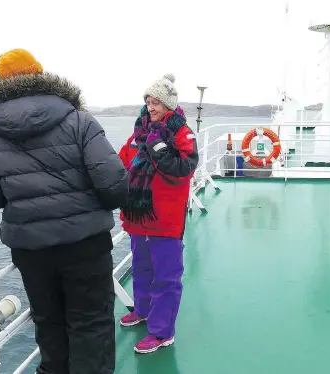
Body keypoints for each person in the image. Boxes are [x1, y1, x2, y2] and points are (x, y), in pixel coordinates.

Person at [0, 48, 128, 374]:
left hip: (31, 247)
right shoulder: (77, 118)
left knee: (49, 322)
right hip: (85, 243)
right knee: (91, 323)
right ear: (39, 74)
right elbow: (114, 182)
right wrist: (94, 208)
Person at [119, 74, 199, 354]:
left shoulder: (181, 133)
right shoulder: (138, 131)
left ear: (169, 105)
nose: (151, 108)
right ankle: (141, 310)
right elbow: (122, 161)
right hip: (138, 215)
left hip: (165, 219)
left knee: (166, 276)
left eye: (157, 103)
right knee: (141, 267)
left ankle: (162, 332)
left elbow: (183, 169)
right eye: (148, 102)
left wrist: (157, 148)